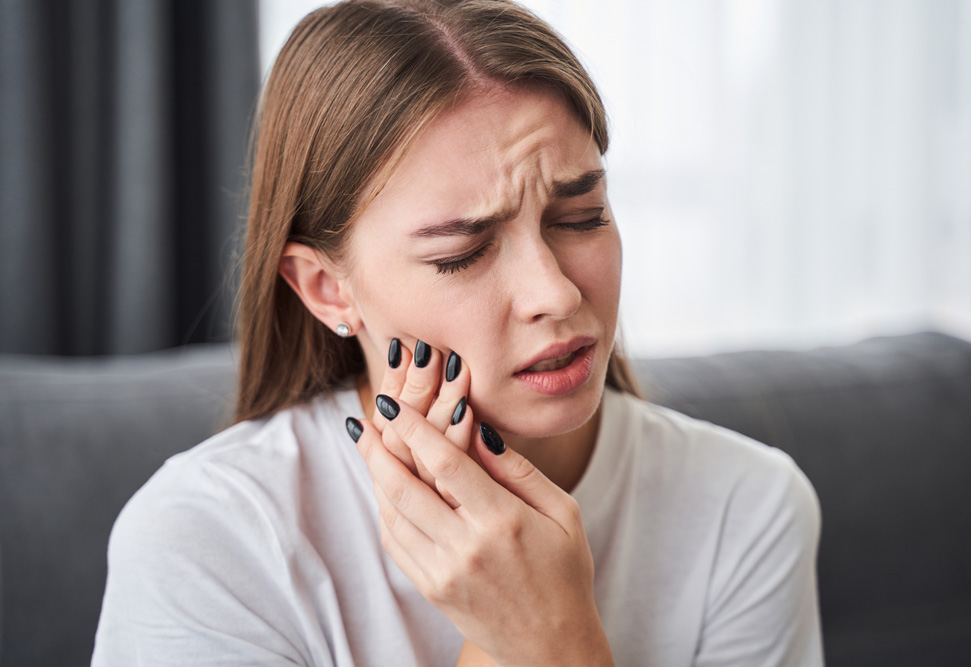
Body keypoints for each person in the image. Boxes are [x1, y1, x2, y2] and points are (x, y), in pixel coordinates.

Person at [92, 0, 824, 665]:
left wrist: (558, 642)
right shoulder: (205, 539)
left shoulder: (745, 508)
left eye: (582, 217)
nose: (557, 293)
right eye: (461, 254)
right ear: (326, 288)